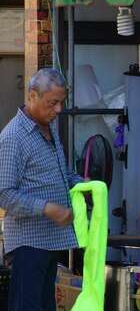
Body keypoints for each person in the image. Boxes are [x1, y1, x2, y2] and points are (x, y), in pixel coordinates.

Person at [0, 68, 84, 311]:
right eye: (52, 103)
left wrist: (82, 184)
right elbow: (4, 193)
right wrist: (47, 208)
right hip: (29, 245)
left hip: (50, 241)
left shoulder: (49, 128)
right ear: (32, 96)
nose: (58, 110)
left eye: (61, 103)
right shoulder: (13, 138)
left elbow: (62, 174)